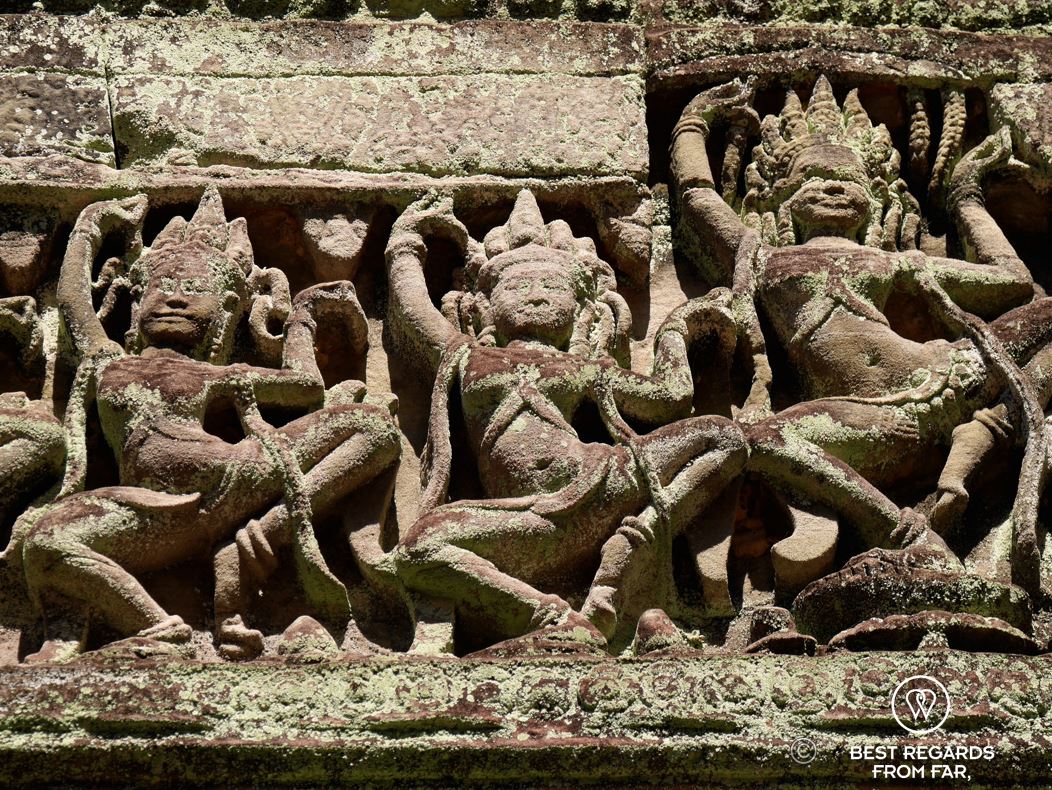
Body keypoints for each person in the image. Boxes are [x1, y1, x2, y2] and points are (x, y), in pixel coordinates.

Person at [671, 77, 1052, 590]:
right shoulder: (761, 258)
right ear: (782, 200)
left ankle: (985, 433)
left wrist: (966, 198)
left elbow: (1012, 280)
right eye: (813, 178)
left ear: (875, 203)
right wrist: (693, 122)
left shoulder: (893, 261)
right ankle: (901, 532)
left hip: (941, 379)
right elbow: (698, 198)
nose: (832, 187)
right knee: (762, 439)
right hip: (860, 413)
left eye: (848, 181)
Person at [19, 187, 400, 660]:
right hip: (145, 504)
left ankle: (260, 538)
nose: (176, 300)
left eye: (195, 290)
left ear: (226, 315)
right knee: (47, 543)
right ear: (135, 305)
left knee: (374, 429)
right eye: (163, 287)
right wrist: (93, 224)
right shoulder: (108, 361)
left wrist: (302, 317)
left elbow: (304, 386)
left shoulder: (217, 374)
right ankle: (158, 628)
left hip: (232, 476)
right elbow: (73, 301)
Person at [387, 189, 747, 649]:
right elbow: (416, 313)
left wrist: (675, 331)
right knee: (420, 546)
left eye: (552, 287)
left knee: (723, 436)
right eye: (516, 288)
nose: (535, 297)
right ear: (483, 307)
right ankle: (549, 614)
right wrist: (405, 243)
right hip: (523, 518)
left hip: (599, 485)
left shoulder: (585, 367)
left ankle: (634, 544)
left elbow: (669, 398)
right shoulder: (469, 356)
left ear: (582, 311)